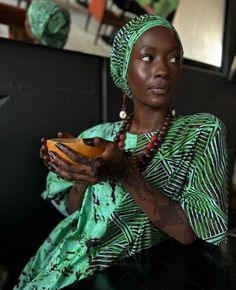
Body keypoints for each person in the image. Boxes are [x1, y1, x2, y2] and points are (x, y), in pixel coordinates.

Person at [14, 14, 228, 289]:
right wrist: (76, 169)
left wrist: (126, 172)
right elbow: (73, 211)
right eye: (148, 57)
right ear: (124, 68)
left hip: (122, 275)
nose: (164, 69)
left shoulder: (202, 131)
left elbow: (190, 233)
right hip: (64, 259)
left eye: (174, 58)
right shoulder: (99, 135)